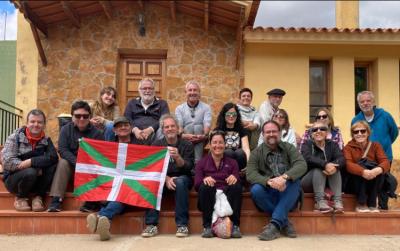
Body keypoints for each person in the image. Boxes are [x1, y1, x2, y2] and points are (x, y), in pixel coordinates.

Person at [247, 120, 307, 241]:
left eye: (274, 131)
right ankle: (283, 222)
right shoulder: (256, 152)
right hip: (268, 194)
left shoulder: (289, 147)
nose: (271, 134)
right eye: (268, 132)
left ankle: (274, 225)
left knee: (295, 182)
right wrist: (269, 181)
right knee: (256, 189)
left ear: (280, 133)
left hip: (287, 193)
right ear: (263, 134)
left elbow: (301, 165)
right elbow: (250, 173)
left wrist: (284, 177)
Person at [86, 116, 139, 241]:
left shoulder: (140, 146)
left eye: (126, 125)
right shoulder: (109, 148)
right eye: (119, 126)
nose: (123, 127)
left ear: (131, 128)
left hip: (132, 186)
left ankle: (101, 215)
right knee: (118, 197)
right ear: (114, 131)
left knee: (122, 195)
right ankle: (104, 219)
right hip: (112, 186)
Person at [142, 114, 194, 238]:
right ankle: (151, 225)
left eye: (172, 126)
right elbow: (152, 168)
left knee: (180, 182)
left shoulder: (187, 145)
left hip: (183, 177)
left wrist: (178, 158)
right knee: (151, 183)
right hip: (162, 178)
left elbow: (189, 167)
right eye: (167, 127)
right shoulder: (156, 145)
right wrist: (166, 178)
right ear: (162, 130)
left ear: (177, 128)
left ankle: (182, 225)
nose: (170, 129)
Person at [48, 100, 104, 212]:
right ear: (72, 117)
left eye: (85, 116)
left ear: (90, 117)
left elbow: (99, 155)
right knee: (63, 162)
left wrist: (84, 164)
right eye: (78, 116)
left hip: (89, 169)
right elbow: (63, 150)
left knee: (98, 166)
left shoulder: (97, 133)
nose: (82, 119)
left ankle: (91, 202)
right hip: (71, 167)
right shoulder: (65, 130)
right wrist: (78, 162)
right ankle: (56, 200)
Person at [1, 109, 58, 212]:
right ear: (27, 123)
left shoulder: (46, 140)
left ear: (44, 125)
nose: (36, 125)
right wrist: (32, 167)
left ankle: (38, 197)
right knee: (31, 172)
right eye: (32, 121)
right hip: (14, 181)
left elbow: (53, 157)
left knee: (52, 165)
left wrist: (31, 161)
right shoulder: (15, 138)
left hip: (35, 181)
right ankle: (20, 197)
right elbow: (7, 162)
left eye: (39, 122)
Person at [352, 91, 398, 209]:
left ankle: (383, 207)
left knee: (384, 183)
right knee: (369, 183)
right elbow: (355, 137)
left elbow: (394, 132)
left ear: (373, 102)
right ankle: (368, 206)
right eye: (362, 101)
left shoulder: (385, 116)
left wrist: (385, 144)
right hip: (366, 159)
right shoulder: (356, 119)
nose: (365, 103)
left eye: (368, 101)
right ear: (359, 104)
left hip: (385, 156)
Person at [195, 130, 242, 238]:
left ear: (225, 145)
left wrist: (234, 177)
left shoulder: (232, 162)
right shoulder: (201, 163)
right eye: (214, 142)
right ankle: (207, 227)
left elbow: (238, 180)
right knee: (205, 186)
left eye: (220, 142)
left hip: (226, 195)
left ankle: (235, 226)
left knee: (236, 186)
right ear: (210, 145)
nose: (217, 145)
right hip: (209, 197)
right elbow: (197, 184)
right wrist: (205, 179)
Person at [343, 121, 390, 213]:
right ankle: (361, 203)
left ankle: (372, 204)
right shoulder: (348, 148)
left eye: (363, 131)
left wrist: (376, 171)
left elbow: (385, 162)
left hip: (373, 180)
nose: (359, 134)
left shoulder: (376, 145)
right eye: (356, 132)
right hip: (354, 183)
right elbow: (348, 164)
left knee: (378, 169)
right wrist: (363, 172)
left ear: (368, 132)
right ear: (353, 134)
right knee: (361, 166)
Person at [301, 121, 345, 213]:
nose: (318, 131)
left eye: (322, 129)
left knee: (335, 169)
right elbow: (307, 158)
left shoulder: (332, 145)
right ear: (312, 134)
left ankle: (337, 201)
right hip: (308, 182)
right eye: (315, 130)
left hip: (328, 181)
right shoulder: (307, 145)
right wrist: (325, 165)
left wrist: (334, 167)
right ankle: (319, 201)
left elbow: (341, 159)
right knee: (319, 169)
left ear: (327, 133)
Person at [124, 78, 170, 145]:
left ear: (154, 90)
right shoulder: (132, 103)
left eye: (150, 88)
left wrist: (151, 129)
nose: (147, 91)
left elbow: (165, 119)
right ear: (139, 90)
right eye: (144, 88)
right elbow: (127, 118)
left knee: (163, 129)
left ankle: (157, 152)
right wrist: (134, 129)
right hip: (135, 133)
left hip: (155, 134)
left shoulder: (162, 103)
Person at [175, 80, 212, 163]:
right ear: (186, 93)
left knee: (198, 127)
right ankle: (190, 161)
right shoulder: (179, 108)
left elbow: (207, 123)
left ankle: (196, 162)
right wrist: (184, 135)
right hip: (185, 137)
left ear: (199, 93)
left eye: (195, 90)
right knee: (190, 126)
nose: (192, 92)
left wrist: (203, 135)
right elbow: (179, 126)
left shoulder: (206, 107)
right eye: (190, 90)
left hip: (201, 137)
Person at [215, 103, 250, 171]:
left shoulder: (242, 129)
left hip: (239, 159)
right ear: (224, 115)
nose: (231, 116)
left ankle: (239, 173)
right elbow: (215, 148)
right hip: (223, 159)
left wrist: (249, 163)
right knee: (228, 152)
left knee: (240, 152)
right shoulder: (218, 130)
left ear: (237, 116)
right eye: (228, 114)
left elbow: (246, 148)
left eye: (234, 114)